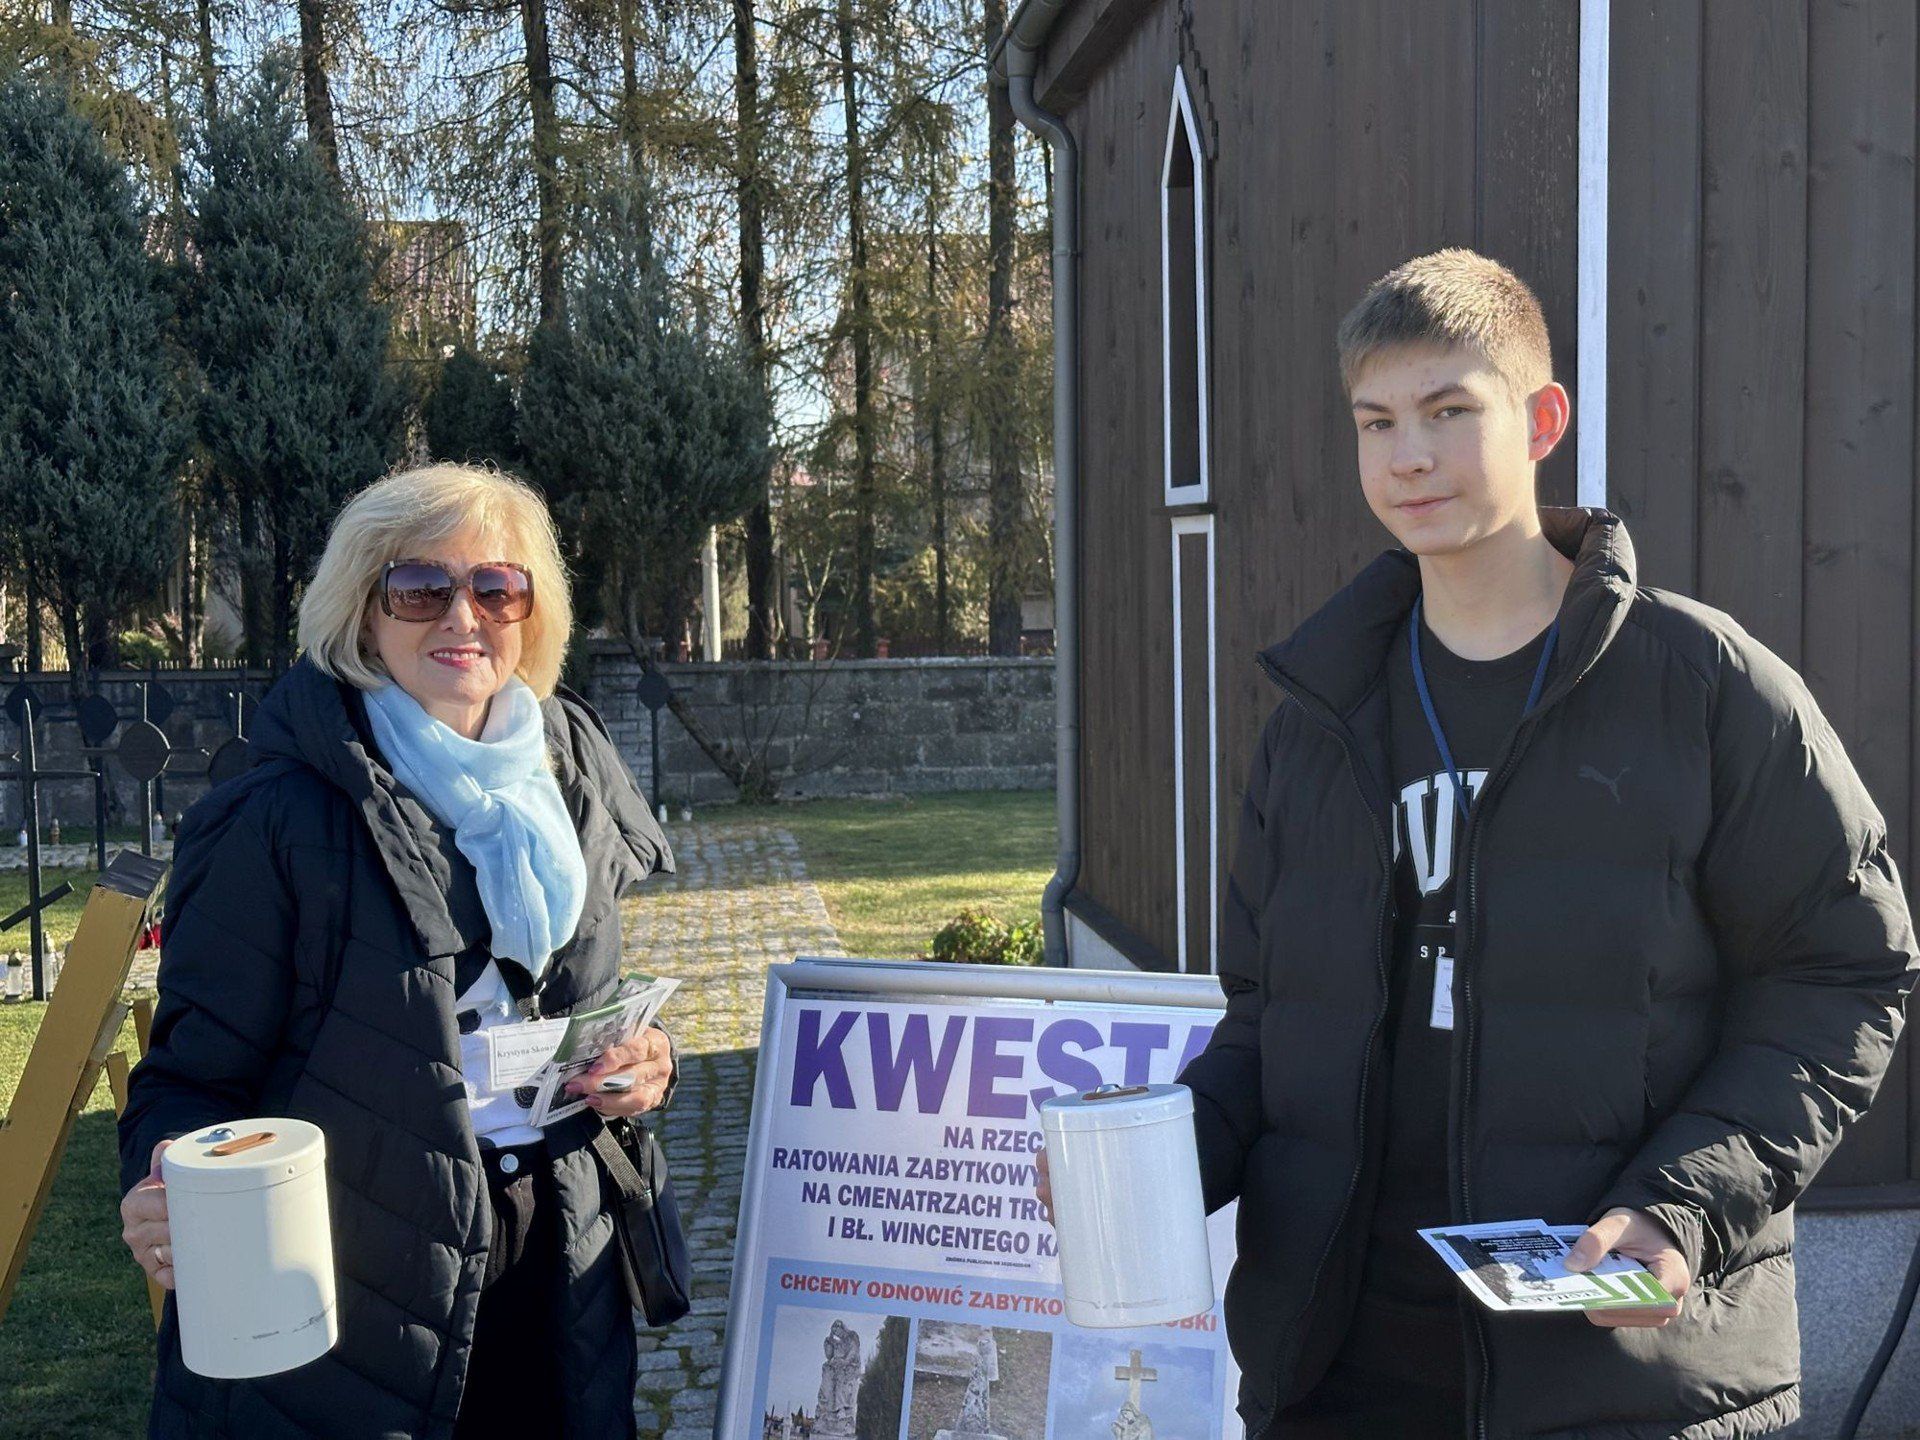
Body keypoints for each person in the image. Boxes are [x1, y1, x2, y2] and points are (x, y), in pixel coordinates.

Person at [1041, 249, 1917, 1437]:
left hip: (1616, 1384)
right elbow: (1266, 1023)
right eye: (1379, 421)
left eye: (1452, 412)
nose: (1410, 456)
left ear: (1541, 418)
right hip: (1339, 1374)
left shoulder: (1706, 689)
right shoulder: (1318, 722)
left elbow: (1846, 971)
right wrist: (1168, 1155)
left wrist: (1683, 1205)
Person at [116, 463, 678, 1439]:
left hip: (555, 1281)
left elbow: (581, 999)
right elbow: (188, 1079)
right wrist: (166, 1177)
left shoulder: (572, 779)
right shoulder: (273, 819)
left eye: (497, 588)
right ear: (363, 614)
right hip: (348, 1315)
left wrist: (645, 1058)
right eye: (422, 588)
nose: (464, 616)